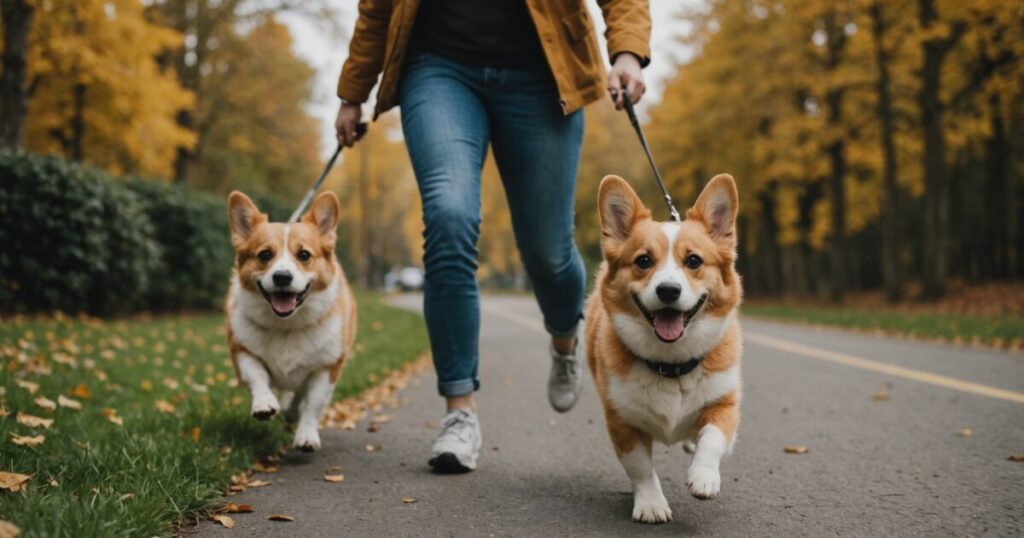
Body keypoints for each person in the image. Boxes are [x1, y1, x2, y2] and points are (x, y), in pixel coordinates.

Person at [335, 0, 650, 473]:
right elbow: (377, 9)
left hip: (544, 73)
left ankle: (565, 338)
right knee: (449, 217)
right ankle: (459, 413)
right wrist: (352, 93)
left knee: (549, 251)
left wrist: (627, 53)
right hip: (439, 71)